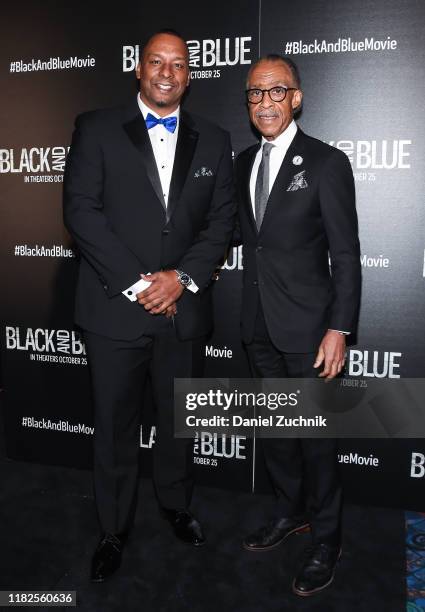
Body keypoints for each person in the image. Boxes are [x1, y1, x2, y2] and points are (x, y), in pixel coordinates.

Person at [63, 29, 235, 582]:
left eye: (179, 64)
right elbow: (82, 212)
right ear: (138, 69)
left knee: (179, 419)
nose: (167, 72)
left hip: (182, 309)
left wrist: (180, 279)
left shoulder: (214, 138)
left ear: (190, 75)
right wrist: (141, 284)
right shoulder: (96, 127)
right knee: (114, 426)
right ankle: (113, 528)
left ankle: (175, 504)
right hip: (116, 309)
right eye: (157, 62)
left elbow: (221, 222)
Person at [234, 55, 361, 596]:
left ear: (297, 98)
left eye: (276, 91)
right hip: (258, 325)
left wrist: (340, 328)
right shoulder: (243, 163)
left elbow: (347, 256)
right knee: (279, 434)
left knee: (316, 439)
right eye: (255, 94)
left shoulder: (327, 163)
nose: (265, 102)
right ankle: (290, 513)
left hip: (310, 331)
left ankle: (328, 538)